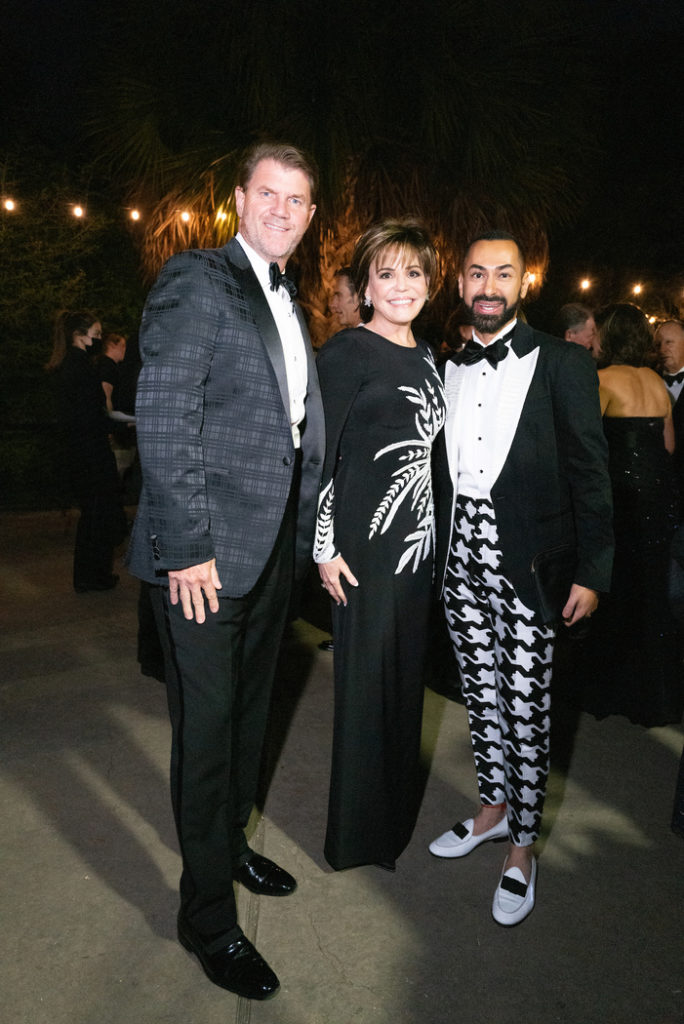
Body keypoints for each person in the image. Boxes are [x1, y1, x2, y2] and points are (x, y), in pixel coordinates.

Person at [126, 141, 324, 1001]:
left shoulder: (293, 301)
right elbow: (164, 415)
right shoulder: (197, 280)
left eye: (298, 200)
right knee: (206, 739)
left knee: (249, 716)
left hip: (270, 549)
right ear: (239, 200)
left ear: (310, 215)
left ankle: (230, 845)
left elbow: (286, 430)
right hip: (205, 557)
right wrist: (189, 546)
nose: (281, 209)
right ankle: (205, 918)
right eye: (268, 194)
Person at [429, 232, 613, 926]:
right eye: (477, 273)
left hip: (531, 567)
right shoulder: (447, 365)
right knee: (480, 696)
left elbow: (593, 474)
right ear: (461, 284)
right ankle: (492, 809)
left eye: (502, 273)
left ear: (523, 283)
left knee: (527, 707)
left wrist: (595, 569)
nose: (488, 285)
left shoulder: (562, 362)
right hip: (459, 564)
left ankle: (524, 848)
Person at [314, 218, 447, 871]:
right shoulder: (346, 352)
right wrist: (322, 547)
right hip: (361, 552)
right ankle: (357, 838)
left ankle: (390, 825)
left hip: (417, 554)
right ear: (365, 284)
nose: (400, 286)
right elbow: (318, 457)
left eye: (413, 273)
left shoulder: (428, 357)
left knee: (403, 689)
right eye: (386, 273)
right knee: (367, 692)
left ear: (430, 282)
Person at [575, 304, 683, 726]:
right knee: (652, 593)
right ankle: (654, 694)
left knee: (616, 591)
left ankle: (610, 690)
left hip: (620, 500)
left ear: (610, 336)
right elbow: (669, 447)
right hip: (658, 500)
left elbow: (585, 447)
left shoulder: (601, 380)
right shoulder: (656, 381)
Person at [45, 310, 126, 592]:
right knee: (97, 515)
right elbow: (91, 412)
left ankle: (89, 575)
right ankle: (94, 575)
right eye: (96, 332)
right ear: (79, 334)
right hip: (91, 452)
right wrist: (118, 423)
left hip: (81, 451)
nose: (100, 337)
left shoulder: (70, 364)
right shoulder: (80, 367)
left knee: (93, 515)